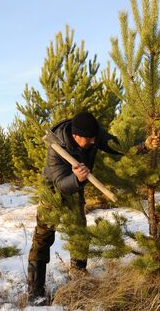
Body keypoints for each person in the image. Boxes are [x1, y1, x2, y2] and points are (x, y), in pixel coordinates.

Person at [26, 111, 122, 305]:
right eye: (89, 139)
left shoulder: (92, 134)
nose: (94, 142)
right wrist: (77, 178)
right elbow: (61, 183)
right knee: (43, 237)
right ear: (76, 136)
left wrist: (144, 145)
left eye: (95, 138)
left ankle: (78, 278)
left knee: (80, 233)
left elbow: (117, 144)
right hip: (54, 189)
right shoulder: (56, 147)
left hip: (76, 186)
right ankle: (35, 292)